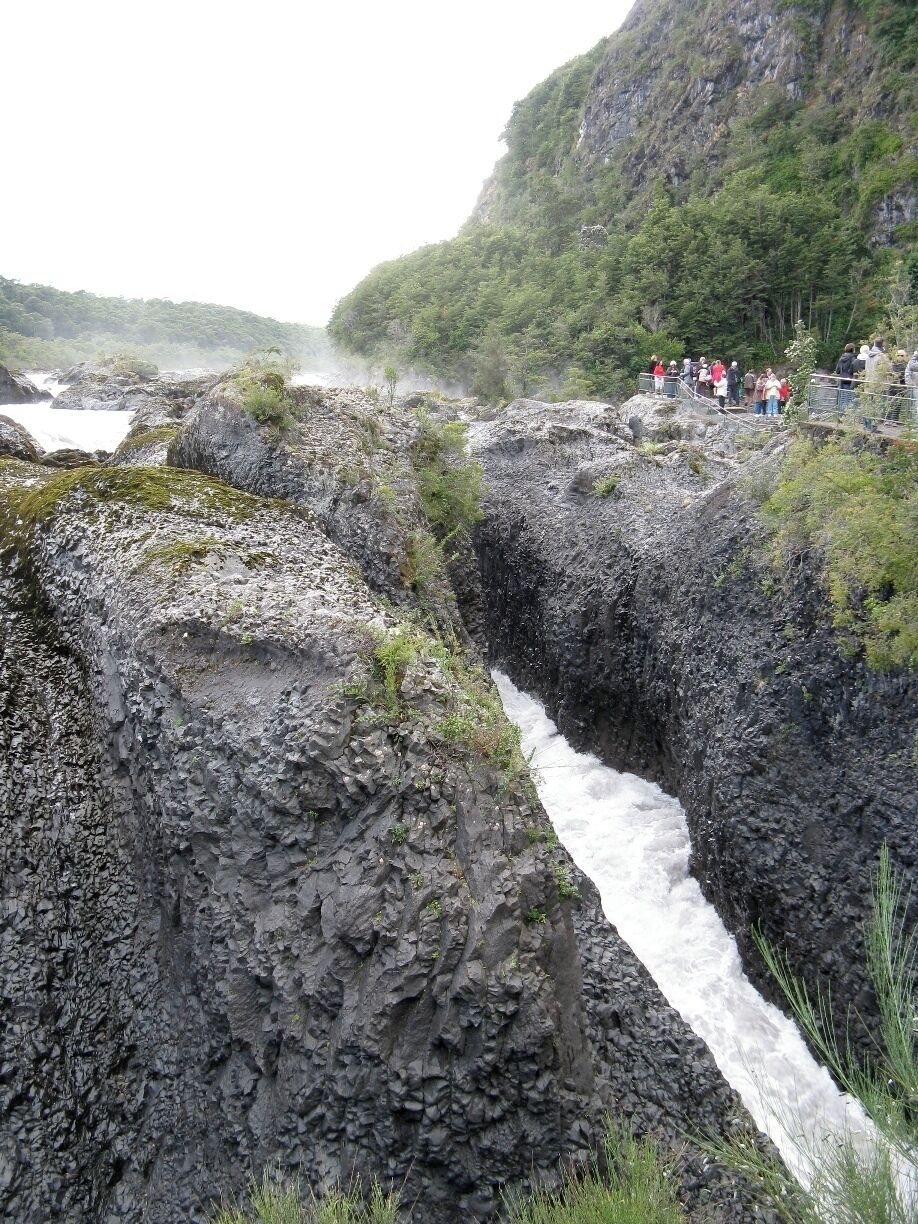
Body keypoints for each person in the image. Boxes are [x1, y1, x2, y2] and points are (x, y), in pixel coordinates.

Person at [835, 342, 857, 411]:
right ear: (853, 349)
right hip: (849, 382)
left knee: (841, 400)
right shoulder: (853, 359)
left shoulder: (841, 358)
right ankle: (844, 417)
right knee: (848, 400)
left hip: (841, 381)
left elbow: (837, 371)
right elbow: (854, 371)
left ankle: (839, 417)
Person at [906, 350, 918, 419]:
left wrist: (915, 355)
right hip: (915, 386)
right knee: (915, 405)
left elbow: (912, 366)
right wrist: (910, 384)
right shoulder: (912, 362)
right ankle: (914, 423)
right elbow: (907, 373)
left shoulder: (913, 362)